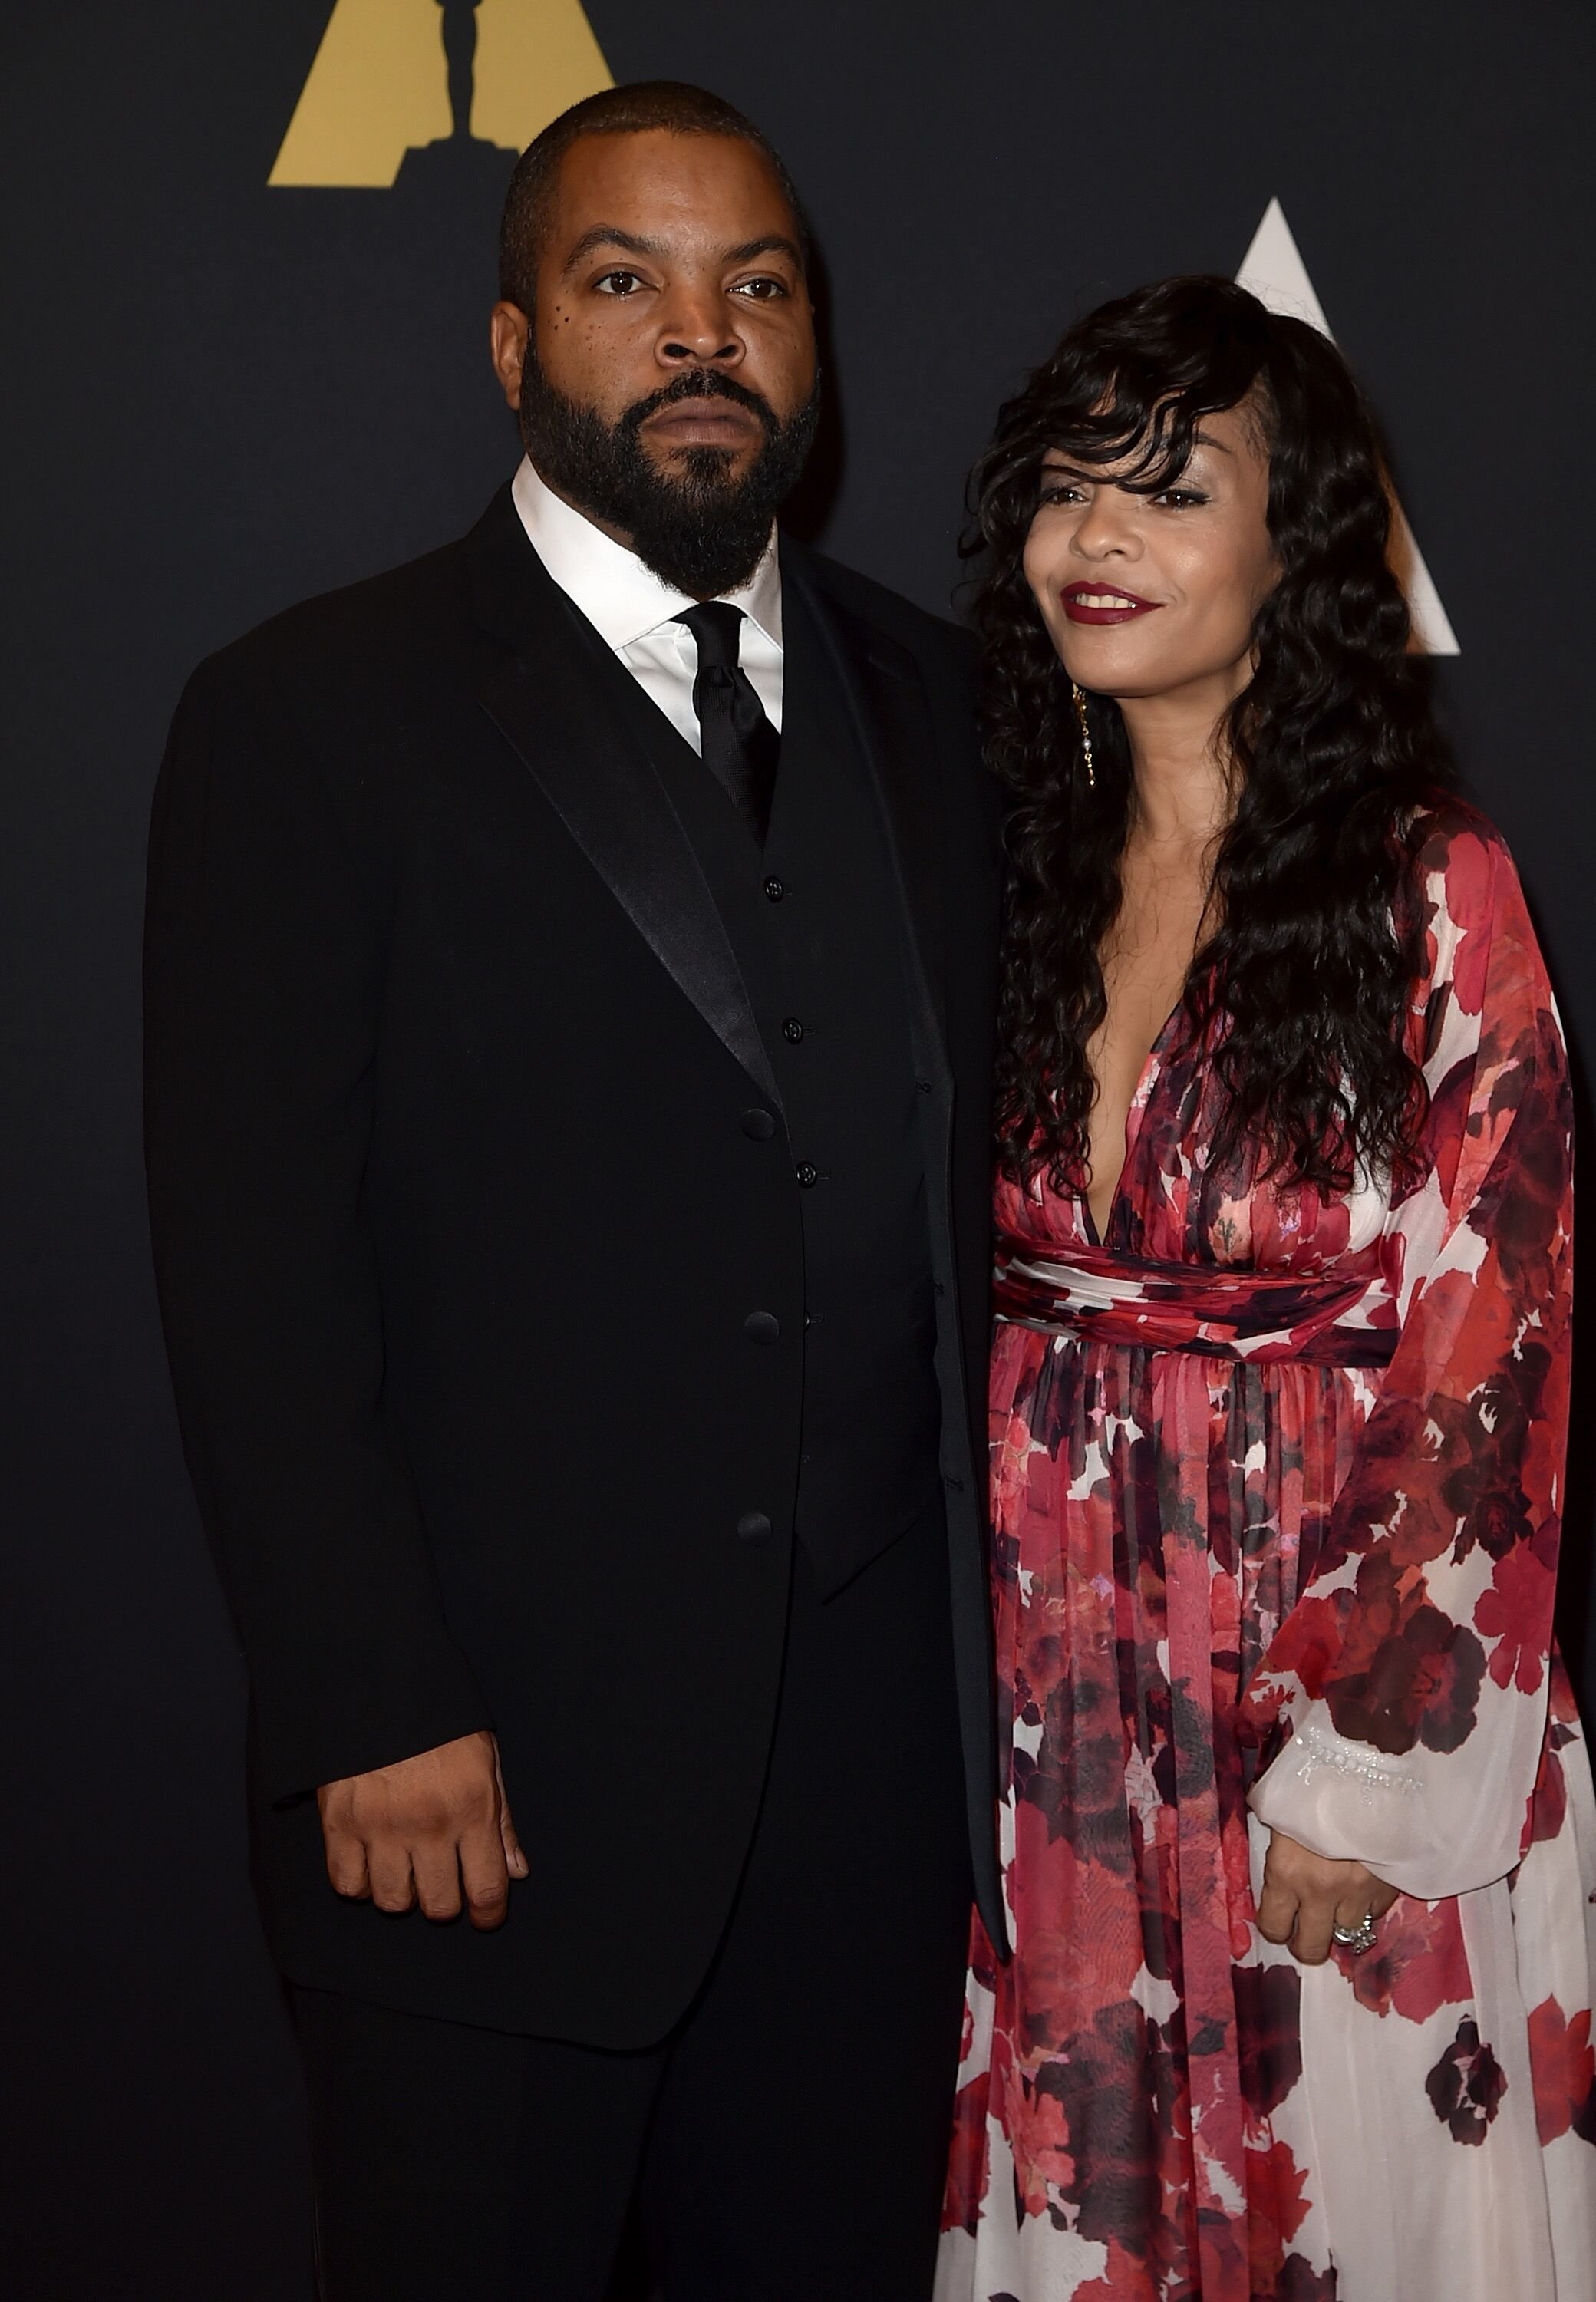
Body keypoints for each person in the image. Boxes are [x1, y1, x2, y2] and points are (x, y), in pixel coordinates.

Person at [144, 82, 1003, 2302]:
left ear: (815, 346)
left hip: (876, 1822)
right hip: (472, 1803)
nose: (700, 337)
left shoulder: (959, 707)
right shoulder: (310, 714)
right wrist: (367, 1697)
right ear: (519, 344)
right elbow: (252, 1260)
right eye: (629, 283)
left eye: (759, 289)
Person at [937, 278, 1596, 2301]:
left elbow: (1496, 1337)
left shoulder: (1432, 884)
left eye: (1169, 488)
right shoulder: (1014, 871)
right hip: (1063, 1732)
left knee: (1361, 2214)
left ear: (1293, 543)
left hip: (1341, 1726)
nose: (1097, 538)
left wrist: (1375, 1777)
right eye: (1068, 486)